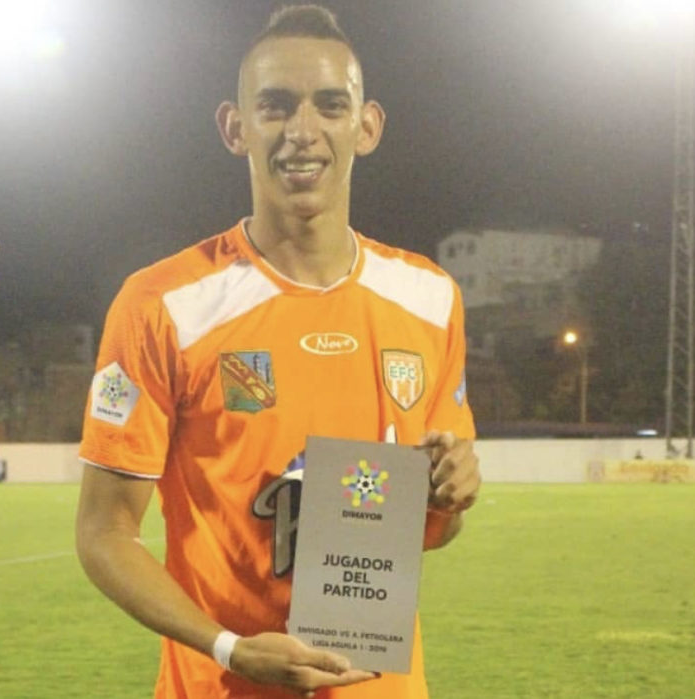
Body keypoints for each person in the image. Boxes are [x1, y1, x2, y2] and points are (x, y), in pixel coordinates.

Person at [75, 6, 481, 698]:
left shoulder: (430, 297)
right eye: (275, 106)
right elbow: (104, 532)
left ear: (367, 126)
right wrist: (229, 649)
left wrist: (452, 493)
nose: (302, 130)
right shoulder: (163, 304)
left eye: (330, 105)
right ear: (235, 127)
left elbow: (432, 532)